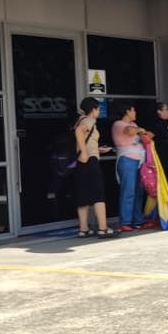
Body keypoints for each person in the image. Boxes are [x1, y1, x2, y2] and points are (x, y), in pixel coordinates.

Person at [74, 98, 114, 238]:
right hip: (90, 160)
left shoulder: (80, 119)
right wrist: (86, 152)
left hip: (82, 161)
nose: (99, 111)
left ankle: (83, 229)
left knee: (83, 194)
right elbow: (79, 132)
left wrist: (97, 149)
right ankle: (103, 228)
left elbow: (83, 138)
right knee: (98, 193)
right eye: (98, 109)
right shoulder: (89, 121)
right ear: (93, 110)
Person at [111, 104, 152, 232]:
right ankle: (125, 221)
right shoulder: (118, 124)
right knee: (128, 191)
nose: (135, 113)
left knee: (138, 192)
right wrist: (140, 130)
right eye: (133, 110)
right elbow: (129, 131)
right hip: (127, 159)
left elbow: (140, 135)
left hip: (139, 161)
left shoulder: (134, 125)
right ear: (127, 111)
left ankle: (138, 221)